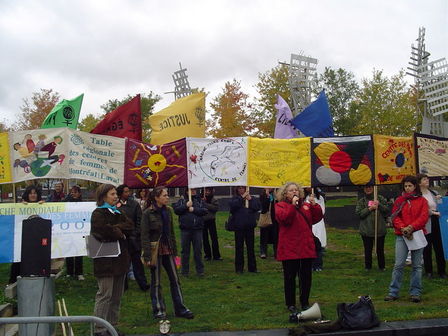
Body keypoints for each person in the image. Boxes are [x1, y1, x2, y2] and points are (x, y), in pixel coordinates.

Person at [141, 187, 194, 319]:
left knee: (175, 279)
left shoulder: (168, 211)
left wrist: (175, 252)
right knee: (157, 281)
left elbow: (171, 233)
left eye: (167, 195)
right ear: (156, 198)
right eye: (164, 195)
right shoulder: (148, 213)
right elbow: (144, 235)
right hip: (155, 250)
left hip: (168, 249)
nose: (167, 197)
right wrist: (147, 255)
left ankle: (180, 308)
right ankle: (159, 310)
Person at [90, 184, 134, 336]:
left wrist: (116, 228)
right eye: (112, 194)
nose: (116, 196)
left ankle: (112, 326)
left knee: (116, 296)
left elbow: (130, 225)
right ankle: (100, 328)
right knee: (105, 295)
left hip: (120, 260)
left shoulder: (118, 212)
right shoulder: (98, 213)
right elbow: (102, 231)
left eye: (116, 194)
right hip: (105, 261)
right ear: (103, 196)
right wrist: (118, 231)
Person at [275, 182, 323, 317]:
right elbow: (285, 219)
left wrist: (314, 206)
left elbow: (316, 218)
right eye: (291, 191)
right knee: (290, 277)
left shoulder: (305, 206)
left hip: (305, 247)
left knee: (306, 277)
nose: (294, 192)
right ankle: (290, 303)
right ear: (285, 194)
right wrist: (292, 206)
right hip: (290, 248)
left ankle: (304, 301)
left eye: (296, 190)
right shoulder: (280, 206)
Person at [384, 175, 429, 303]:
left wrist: (411, 227)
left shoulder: (422, 201)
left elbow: (423, 217)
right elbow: (395, 216)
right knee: (398, 264)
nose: (407, 188)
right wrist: (403, 227)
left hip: (417, 235)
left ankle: (415, 293)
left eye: (410, 185)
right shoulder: (399, 200)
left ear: (415, 186)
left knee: (417, 266)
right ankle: (393, 292)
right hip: (401, 235)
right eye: (405, 186)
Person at [9, 184, 44, 284]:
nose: (33, 195)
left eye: (35, 193)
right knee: (18, 257)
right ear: (27, 195)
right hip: (23, 236)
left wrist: (44, 205)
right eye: (30, 193)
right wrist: (20, 206)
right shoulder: (22, 206)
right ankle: (13, 279)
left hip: (36, 237)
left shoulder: (42, 205)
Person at [116, 184, 149, 291]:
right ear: (120, 193)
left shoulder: (134, 204)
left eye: (128, 191)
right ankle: (123, 285)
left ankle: (143, 284)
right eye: (125, 192)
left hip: (134, 239)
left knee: (137, 263)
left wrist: (136, 233)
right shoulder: (115, 205)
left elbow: (140, 220)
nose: (128, 193)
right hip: (121, 239)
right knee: (123, 263)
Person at [418, 173, 446, 279]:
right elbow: (421, 210)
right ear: (419, 183)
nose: (427, 181)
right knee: (427, 247)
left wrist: (439, 199)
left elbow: (439, 206)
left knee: (439, 246)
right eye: (424, 179)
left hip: (437, 221)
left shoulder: (433, 192)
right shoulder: (418, 195)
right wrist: (432, 213)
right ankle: (429, 271)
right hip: (426, 222)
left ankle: (442, 271)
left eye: (427, 179)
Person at [174, 189, 208, 276]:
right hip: (185, 230)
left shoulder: (199, 200)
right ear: (187, 191)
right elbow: (176, 211)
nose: (193, 191)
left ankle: (200, 271)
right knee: (185, 251)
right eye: (191, 190)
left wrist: (194, 209)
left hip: (197, 229)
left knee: (198, 251)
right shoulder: (181, 201)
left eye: (194, 190)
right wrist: (186, 206)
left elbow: (205, 211)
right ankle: (184, 271)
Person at [355, 185, 389, 271]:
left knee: (380, 249)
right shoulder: (361, 201)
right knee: (368, 250)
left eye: (370, 187)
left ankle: (382, 267)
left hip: (379, 230)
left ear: (374, 188)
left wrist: (379, 205)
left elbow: (387, 210)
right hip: (366, 230)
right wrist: (370, 208)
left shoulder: (380, 198)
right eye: (366, 187)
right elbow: (359, 214)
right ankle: (368, 267)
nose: (368, 189)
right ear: (364, 189)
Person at [229, 186, 261, 273]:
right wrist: (242, 198)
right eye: (239, 188)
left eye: (243, 188)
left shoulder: (252, 198)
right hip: (239, 227)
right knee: (239, 248)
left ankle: (252, 268)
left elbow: (257, 207)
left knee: (251, 248)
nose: (241, 190)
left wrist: (250, 199)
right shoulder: (235, 199)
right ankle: (239, 268)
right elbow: (232, 207)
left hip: (249, 226)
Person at [64, 185, 85, 280]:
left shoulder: (83, 204)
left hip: (79, 231)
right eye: (72, 192)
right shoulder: (66, 202)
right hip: (68, 230)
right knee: (69, 250)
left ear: (79, 193)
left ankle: (79, 272)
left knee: (79, 251)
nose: (73, 194)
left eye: (75, 192)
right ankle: (69, 271)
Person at [304, 187, 327, 271]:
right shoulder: (304, 198)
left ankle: (318, 264)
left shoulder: (319, 198)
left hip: (318, 222)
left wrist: (314, 205)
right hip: (308, 223)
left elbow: (322, 211)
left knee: (317, 243)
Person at [202, 187, 222, 261]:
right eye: (206, 191)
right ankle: (207, 255)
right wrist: (202, 203)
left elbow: (215, 209)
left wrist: (206, 204)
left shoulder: (214, 199)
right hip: (203, 221)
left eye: (208, 191)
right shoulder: (201, 199)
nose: (207, 192)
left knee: (214, 238)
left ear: (211, 191)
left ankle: (216, 255)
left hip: (211, 220)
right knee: (205, 239)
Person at [259, 188, 278, 259]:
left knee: (275, 235)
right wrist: (267, 197)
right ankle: (263, 251)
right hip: (266, 217)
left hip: (275, 218)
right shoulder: (262, 195)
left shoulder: (276, 194)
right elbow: (264, 207)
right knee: (264, 235)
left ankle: (276, 252)